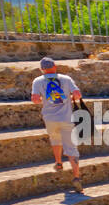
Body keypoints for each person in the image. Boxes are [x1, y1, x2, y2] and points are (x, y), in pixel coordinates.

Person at [30, 57, 85, 193]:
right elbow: (77, 94)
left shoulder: (38, 81)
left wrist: (45, 99)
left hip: (50, 118)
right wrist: (72, 98)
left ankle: (59, 163)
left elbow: (35, 100)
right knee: (71, 149)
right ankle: (76, 177)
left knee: (55, 139)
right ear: (55, 66)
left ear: (42, 69)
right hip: (66, 118)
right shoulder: (66, 79)